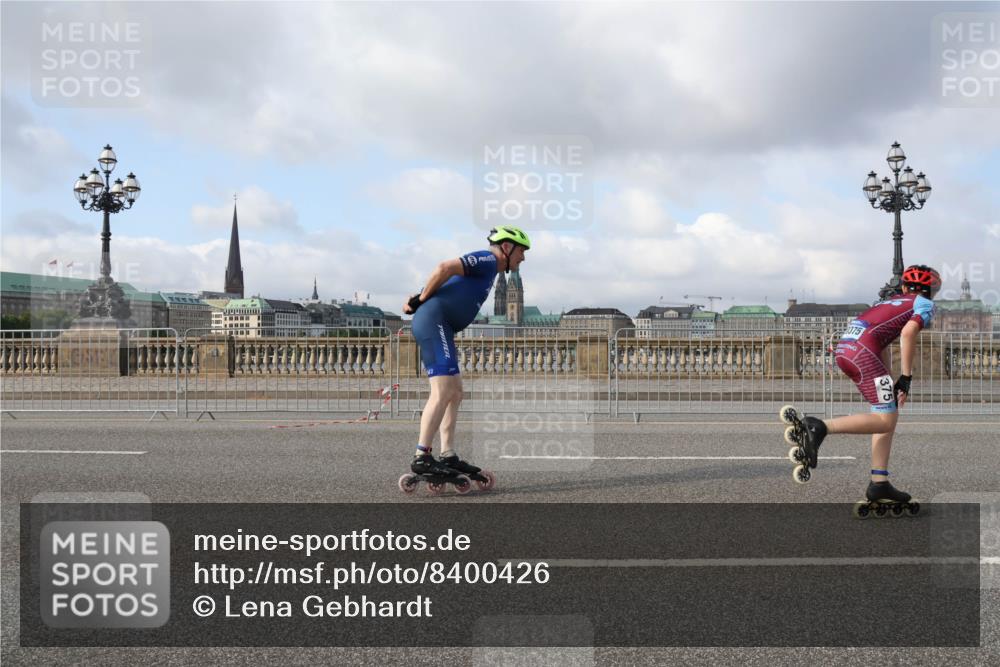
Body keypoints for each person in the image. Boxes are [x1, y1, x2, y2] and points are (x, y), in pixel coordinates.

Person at [797, 264, 941, 506]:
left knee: (886, 413)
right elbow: (908, 334)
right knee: (885, 420)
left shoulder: (885, 303)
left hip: (847, 350)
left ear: (903, 286)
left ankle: (879, 483)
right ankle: (819, 426)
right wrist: (905, 378)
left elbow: (881, 340)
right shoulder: (924, 303)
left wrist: (888, 377)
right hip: (863, 353)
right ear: (932, 290)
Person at [403, 225, 530, 479]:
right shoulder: (486, 259)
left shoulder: (492, 270)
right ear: (507, 247)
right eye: (522, 252)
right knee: (443, 391)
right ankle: (422, 456)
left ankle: (448, 453)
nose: (523, 258)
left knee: (456, 392)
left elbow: (449, 282)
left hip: (443, 325)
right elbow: (444, 268)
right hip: (435, 322)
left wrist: (420, 295)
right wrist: (420, 299)